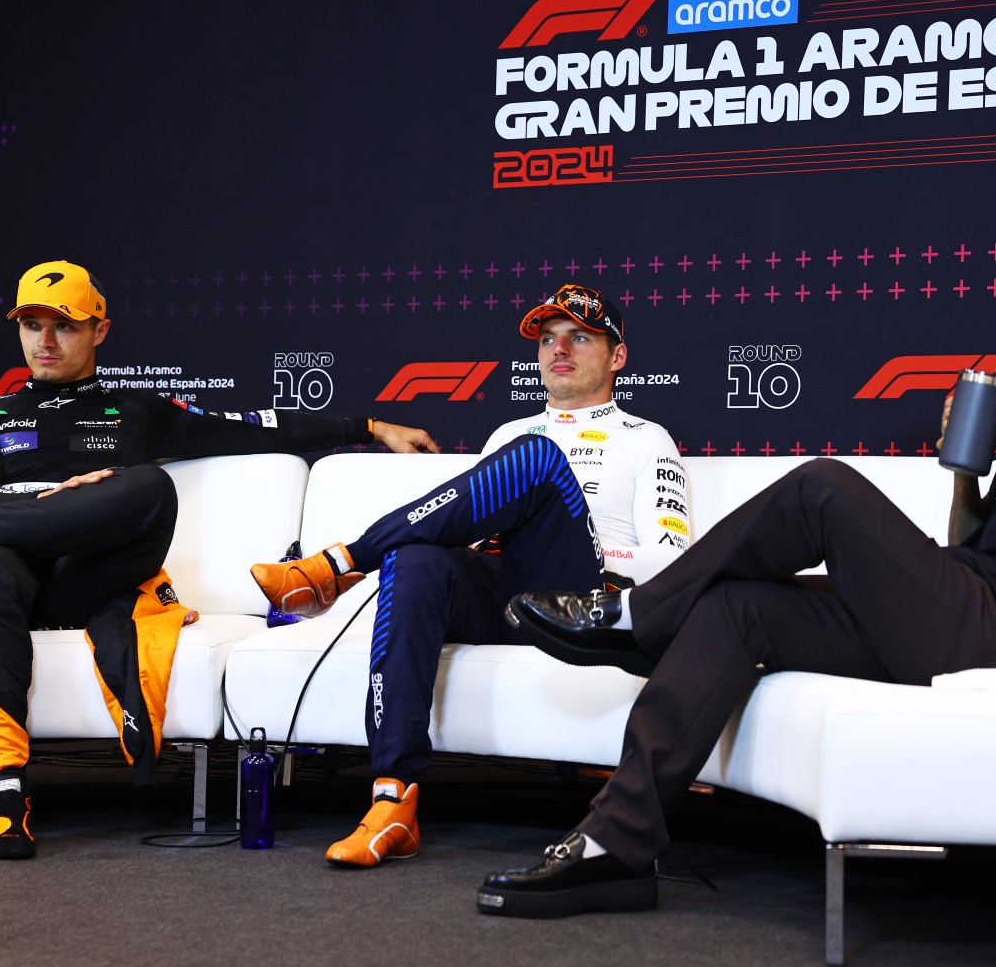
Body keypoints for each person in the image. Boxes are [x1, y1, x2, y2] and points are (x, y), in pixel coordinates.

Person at [481, 248, 996, 918]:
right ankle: (617, 844)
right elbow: (972, 549)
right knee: (739, 608)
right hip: (968, 609)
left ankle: (637, 615)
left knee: (822, 488)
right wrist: (969, 470)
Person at [0, 259, 437, 859]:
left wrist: (369, 425)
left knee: (149, 489)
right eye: (31, 324)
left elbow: (253, 427)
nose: (44, 342)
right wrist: (71, 497)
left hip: (91, 578)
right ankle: (3, 798)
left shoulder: (139, 411)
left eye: (65, 326)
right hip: (3, 577)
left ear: (100, 331)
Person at [250, 283, 690, 867]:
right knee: (414, 559)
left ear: (617, 356)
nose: (559, 349)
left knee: (538, 459)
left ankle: (339, 564)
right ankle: (392, 800)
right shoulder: (506, 434)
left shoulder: (646, 439)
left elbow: (673, 559)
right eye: (548, 339)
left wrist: (593, 546)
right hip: (506, 596)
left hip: (584, 600)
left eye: (580, 337)